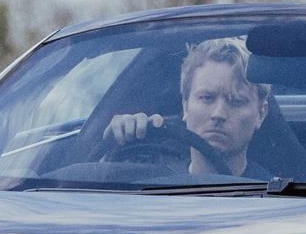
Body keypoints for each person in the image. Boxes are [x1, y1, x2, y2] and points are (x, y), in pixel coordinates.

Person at [103, 38, 272, 179]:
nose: (218, 114)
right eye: (207, 98)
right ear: (185, 106)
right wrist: (113, 150)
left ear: (261, 114)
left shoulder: (277, 196)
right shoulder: (149, 180)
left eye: (236, 101)